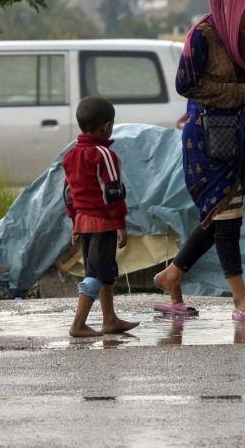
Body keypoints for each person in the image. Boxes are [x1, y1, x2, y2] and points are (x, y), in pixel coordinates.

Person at [152, 0, 245, 322]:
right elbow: (185, 85)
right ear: (232, 7)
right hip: (207, 139)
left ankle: (172, 275)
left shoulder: (236, 37)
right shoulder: (202, 36)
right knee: (227, 217)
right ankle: (241, 299)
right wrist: (237, 93)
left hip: (235, 136)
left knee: (220, 213)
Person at [62, 95, 139, 337]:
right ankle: (78, 324)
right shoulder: (105, 155)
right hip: (102, 222)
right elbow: (113, 193)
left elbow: (68, 193)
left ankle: (110, 319)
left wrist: (74, 221)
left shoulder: (71, 155)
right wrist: (121, 224)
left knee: (105, 270)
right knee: (95, 273)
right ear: (107, 126)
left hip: (83, 222)